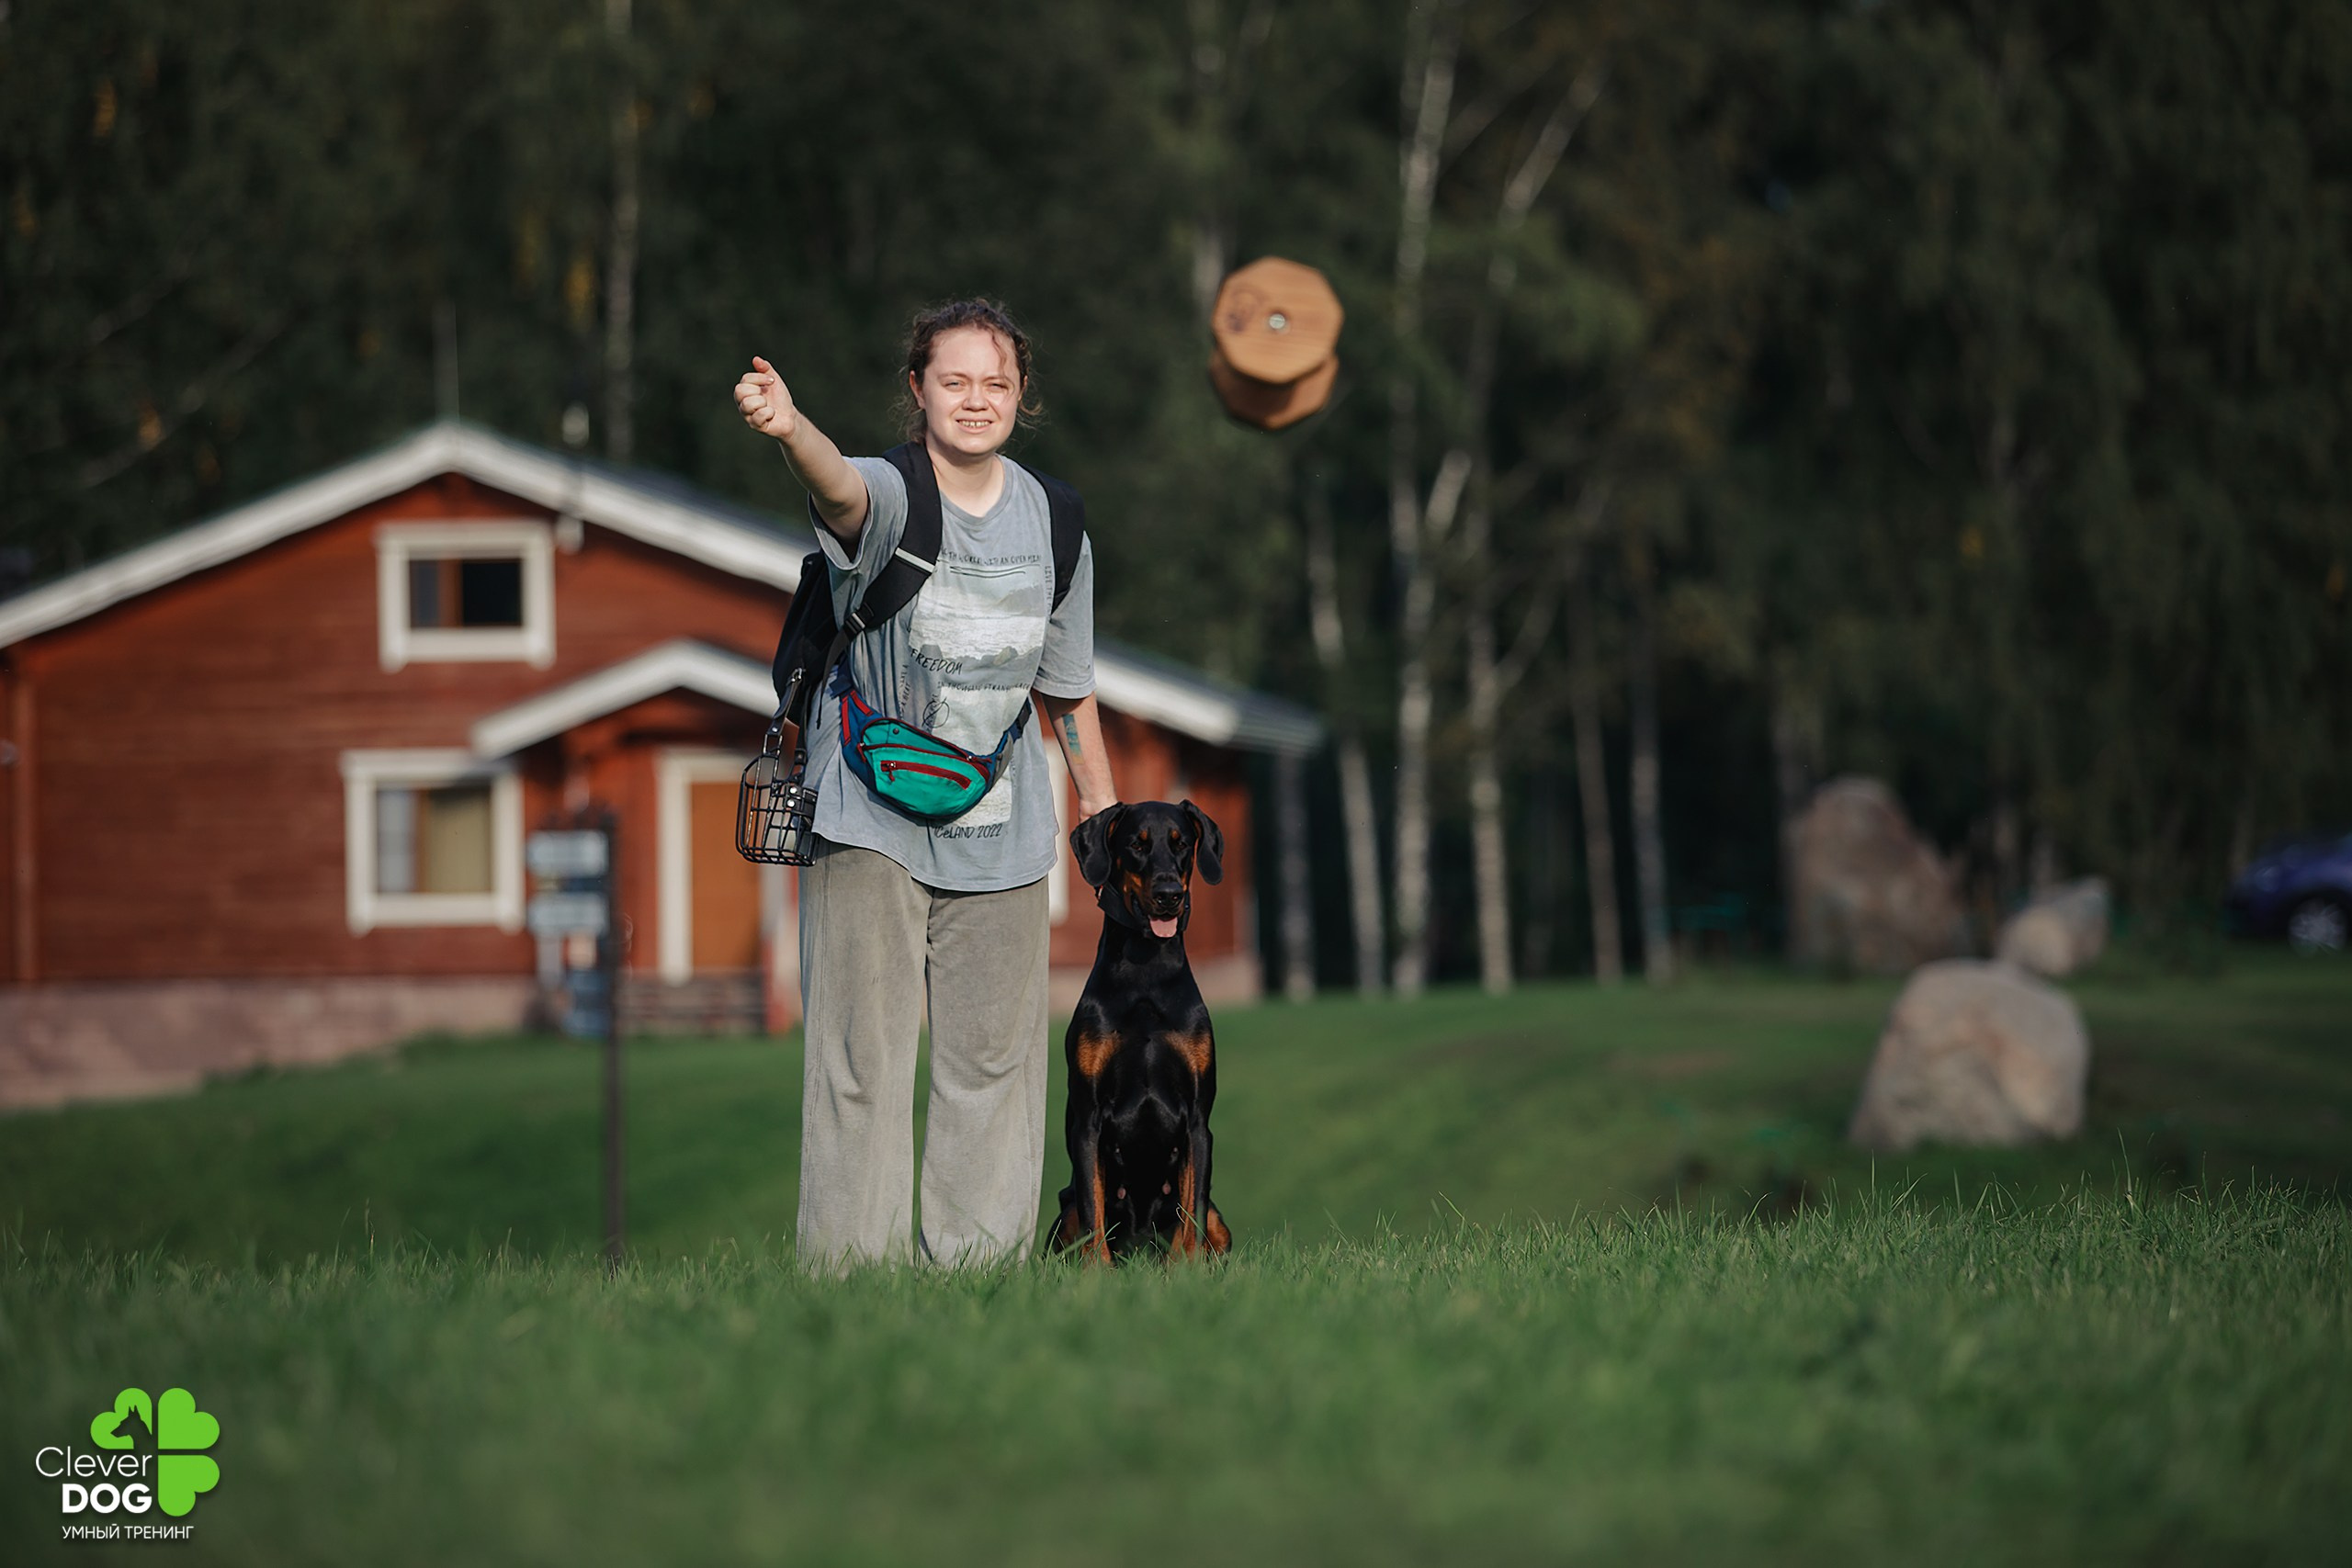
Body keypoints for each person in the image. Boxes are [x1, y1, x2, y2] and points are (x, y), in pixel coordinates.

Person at [732, 300, 1117, 1270]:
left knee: (992, 1064)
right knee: (861, 1061)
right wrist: (791, 429)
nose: (975, 400)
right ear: (919, 389)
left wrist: (1101, 811)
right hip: (869, 816)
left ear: (1022, 394)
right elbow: (838, 490)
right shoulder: (894, 493)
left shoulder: (1057, 522)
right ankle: (852, 1282)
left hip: (1004, 830)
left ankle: (976, 1281)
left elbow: (1067, 693)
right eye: (955, 381)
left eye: (996, 382)